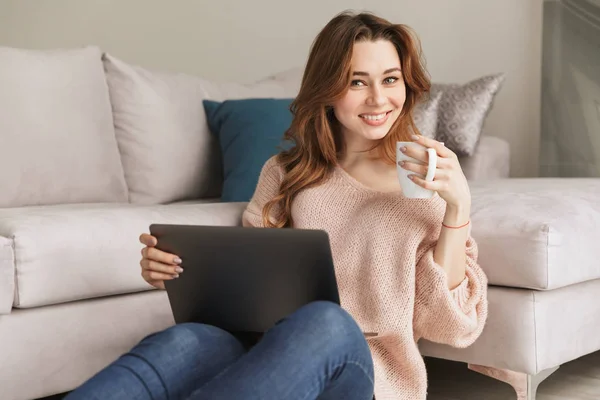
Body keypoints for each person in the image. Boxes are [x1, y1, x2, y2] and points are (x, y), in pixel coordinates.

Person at [67, 10, 488, 400]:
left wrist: (457, 209)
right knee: (186, 340)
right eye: (357, 81)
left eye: (390, 79)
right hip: (269, 355)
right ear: (328, 90)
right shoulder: (287, 172)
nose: (378, 99)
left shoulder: (428, 181)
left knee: (327, 321)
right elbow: (247, 290)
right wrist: (175, 274)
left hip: (366, 374)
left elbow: (450, 326)